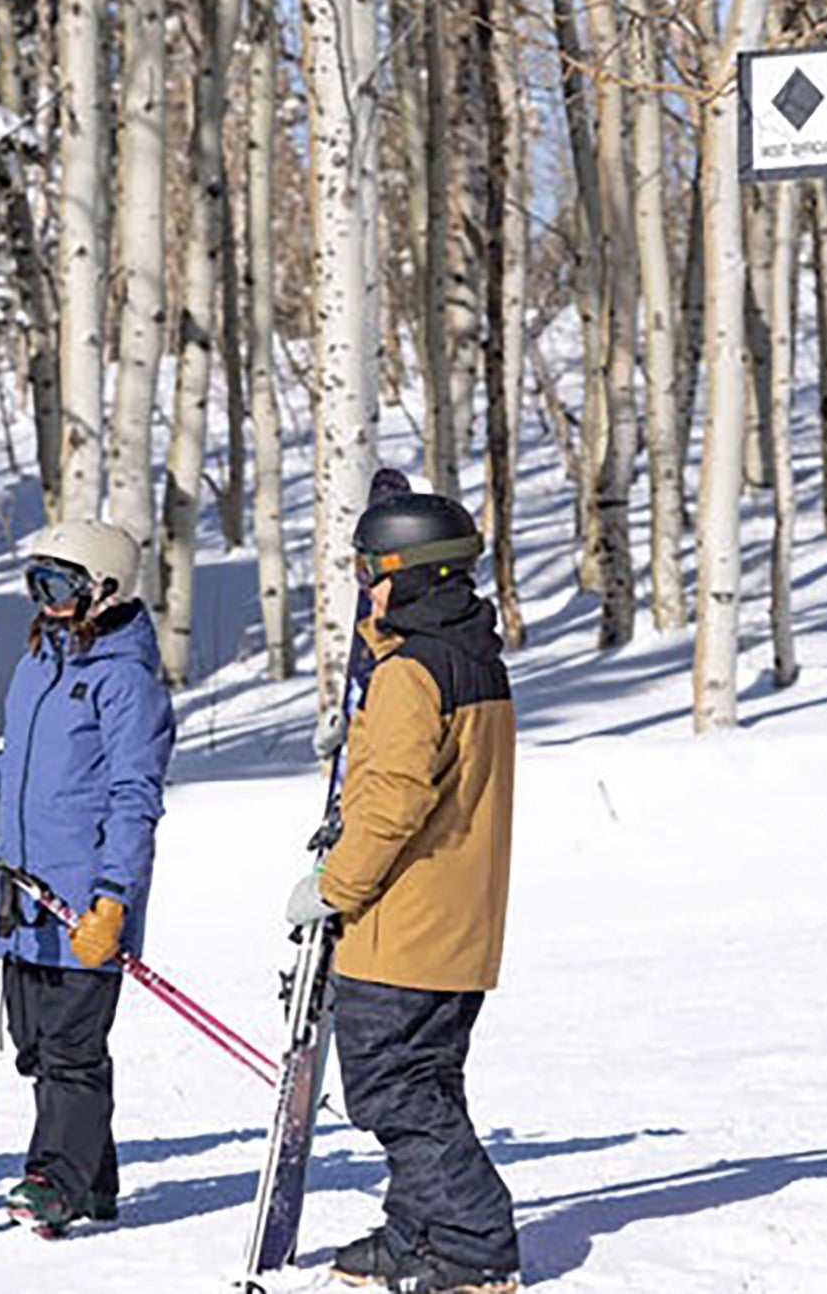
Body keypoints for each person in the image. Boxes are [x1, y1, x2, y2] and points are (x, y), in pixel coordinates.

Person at [285, 492, 521, 1294]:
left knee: (397, 1092)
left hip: (404, 928)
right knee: (427, 1084)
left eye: (373, 573)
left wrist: (332, 885)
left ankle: (474, 1241)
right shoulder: (470, 657)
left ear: (417, 576)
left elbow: (392, 802)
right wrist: (361, 729)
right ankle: (418, 1227)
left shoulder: (413, 672)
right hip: (457, 924)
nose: (367, 589)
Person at [0, 521, 176, 1237]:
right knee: (37, 1046)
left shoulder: (126, 682)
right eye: (36, 583)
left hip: (85, 904)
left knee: (70, 1053)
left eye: (60, 585)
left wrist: (114, 900)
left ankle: (54, 1180)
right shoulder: (39, 663)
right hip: (25, 898)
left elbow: (135, 798)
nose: (46, 599)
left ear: (105, 590)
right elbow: (26, 771)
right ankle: (94, 1180)